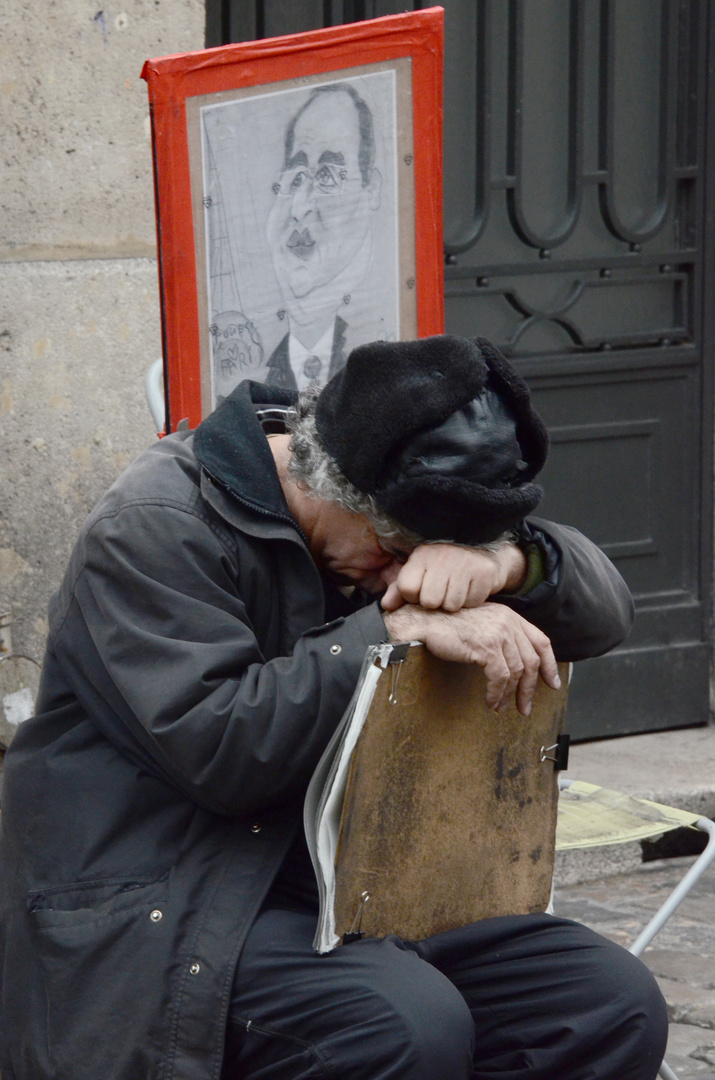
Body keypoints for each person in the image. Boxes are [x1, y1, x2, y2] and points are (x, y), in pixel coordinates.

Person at [0, 335, 667, 1080]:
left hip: (344, 879)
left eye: (419, 559)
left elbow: (605, 613)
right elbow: (221, 751)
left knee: (606, 1001)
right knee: (398, 1020)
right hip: (165, 893)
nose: (399, 577)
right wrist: (386, 630)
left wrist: (502, 563)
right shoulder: (154, 523)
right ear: (331, 488)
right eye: (391, 551)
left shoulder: (392, 501)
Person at [263, 82, 383, 390]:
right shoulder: (248, 382)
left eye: (328, 175)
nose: (300, 208)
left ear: (371, 190)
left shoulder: (385, 351)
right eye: (297, 175)